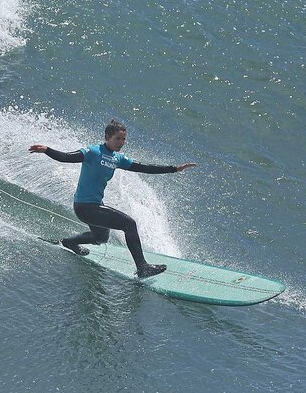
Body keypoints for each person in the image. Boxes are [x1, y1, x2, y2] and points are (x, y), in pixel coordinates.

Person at [29, 119, 196, 278]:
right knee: (129, 224)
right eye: (118, 139)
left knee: (100, 238)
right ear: (107, 137)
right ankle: (142, 267)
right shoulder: (93, 152)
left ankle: (69, 242)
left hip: (95, 206)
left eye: (124, 139)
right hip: (85, 207)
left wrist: (174, 169)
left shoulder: (118, 159)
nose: (121, 142)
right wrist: (47, 150)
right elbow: (66, 157)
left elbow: (144, 167)